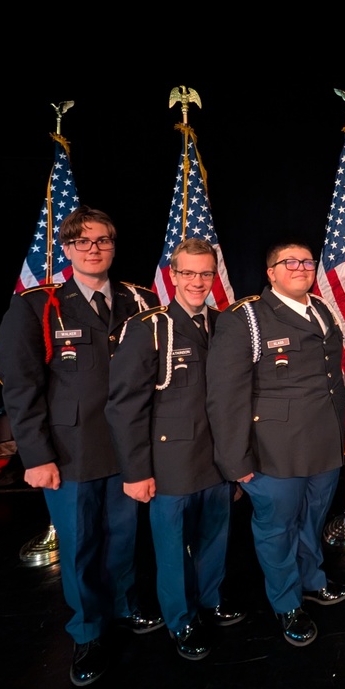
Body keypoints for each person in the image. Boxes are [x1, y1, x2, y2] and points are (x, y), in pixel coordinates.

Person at [0, 206, 163, 686]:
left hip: (131, 448)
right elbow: (21, 388)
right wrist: (37, 456)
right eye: (83, 242)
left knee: (124, 538)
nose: (95, 249)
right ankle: (89, 630)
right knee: (81, 544)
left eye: (103, 240)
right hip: (71, 452)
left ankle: (126, 606)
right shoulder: (35, 306)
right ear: (66, 249)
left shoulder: (139, 300)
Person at [105, 238, 245, 662]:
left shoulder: (225, 324)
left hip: (218, 458)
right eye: (188, 273)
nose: (197, 281)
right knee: (170, 548)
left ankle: (211, 599)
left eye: (205, 273)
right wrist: (135, 471)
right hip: (170, 464)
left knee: (215, 539)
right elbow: (124, 407)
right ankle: (181, 620)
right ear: (173, 275)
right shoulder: (149, 328)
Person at [206, 243, 345, 648]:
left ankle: (311, 579)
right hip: (274, 451)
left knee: (311, 520)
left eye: (306, 262)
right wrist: (235, 460)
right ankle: (287, 602)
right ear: (271, 272)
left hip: (323, 445)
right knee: (277, 529)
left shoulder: (320, 308)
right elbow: (225, 396)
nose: (301, 268)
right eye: (290, 262)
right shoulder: (246, 318)